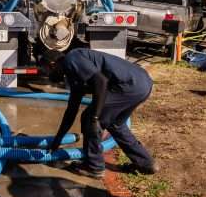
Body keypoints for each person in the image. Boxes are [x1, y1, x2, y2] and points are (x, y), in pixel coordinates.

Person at [41, 47, 157, 179]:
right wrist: (57, 142)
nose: (47, 75)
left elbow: (101, 81)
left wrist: (95, 116)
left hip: (129, 85)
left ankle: (94, 166)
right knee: (115, 125)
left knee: (90, 118)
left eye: (46, 70)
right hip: (142, 84)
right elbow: (71, 111)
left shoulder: (71, 58)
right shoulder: (74, 75)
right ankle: (146, 164)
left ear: (53, 64)